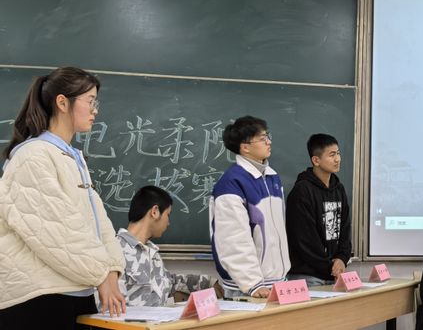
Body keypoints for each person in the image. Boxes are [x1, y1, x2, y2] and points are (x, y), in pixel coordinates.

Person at [0, 67, 126, 329]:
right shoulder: (33, 156)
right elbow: (56, 230)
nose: (95, 110)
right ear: (62, 102)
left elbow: (100, 224)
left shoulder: (70, 157)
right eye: (90, 101)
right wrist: (101, 273)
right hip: (36, 300)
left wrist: (113, 269)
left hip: (72, 291)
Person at [209, 115, 290, 298]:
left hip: (277, 282)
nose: (269, 142)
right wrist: (252, 284)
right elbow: (233, 239)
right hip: (248, 288)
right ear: (245, 147)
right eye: (262, 138)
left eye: (268, 136)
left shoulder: (273, 178)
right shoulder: (232, 183)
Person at [117, 185, 211, 306]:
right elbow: (112, 308)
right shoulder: (116, 251)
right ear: (155, 212)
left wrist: (209, 283)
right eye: (168, 215)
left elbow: (170, 282)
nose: (168, 223)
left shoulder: (152, 252)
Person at [286, 133, 352, 285]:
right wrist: (330, 267)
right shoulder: (302, 191)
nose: (338, 159)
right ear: (316, 160)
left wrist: (342, 259)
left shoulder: (339, 189)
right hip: (308, 275)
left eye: (338, 153)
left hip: (334, 273)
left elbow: (345, 228)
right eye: (332, 155)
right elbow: (304, 240)